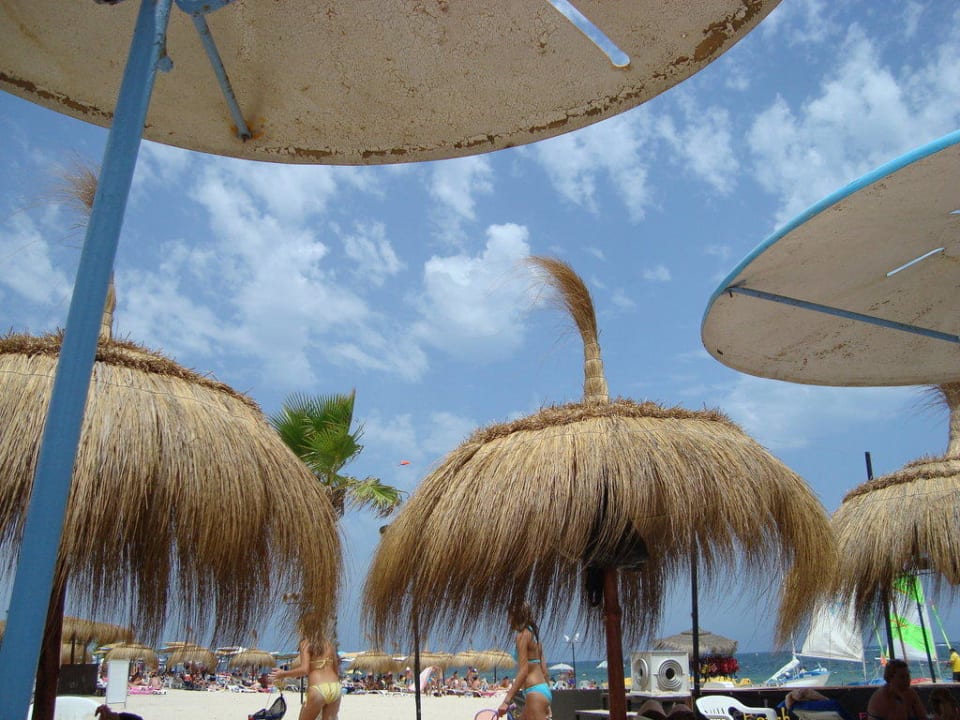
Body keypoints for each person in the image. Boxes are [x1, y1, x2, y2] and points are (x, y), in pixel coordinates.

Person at [498, 600, 551, 720]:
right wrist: (546, 702)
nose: (508, 620)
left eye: (509, 616)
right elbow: (544, 671)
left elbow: (523, 671)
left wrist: (506, 701)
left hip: (534, 693)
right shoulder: (534, 636)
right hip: (541, 690)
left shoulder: (522, 636)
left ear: (516, 617)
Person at [269, 633, 341, 720]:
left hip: (318, 687)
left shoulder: (306, 643)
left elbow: (304, 670)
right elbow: (336, 670)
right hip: (335, 687)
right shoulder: (329, 644)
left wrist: (283, 674)